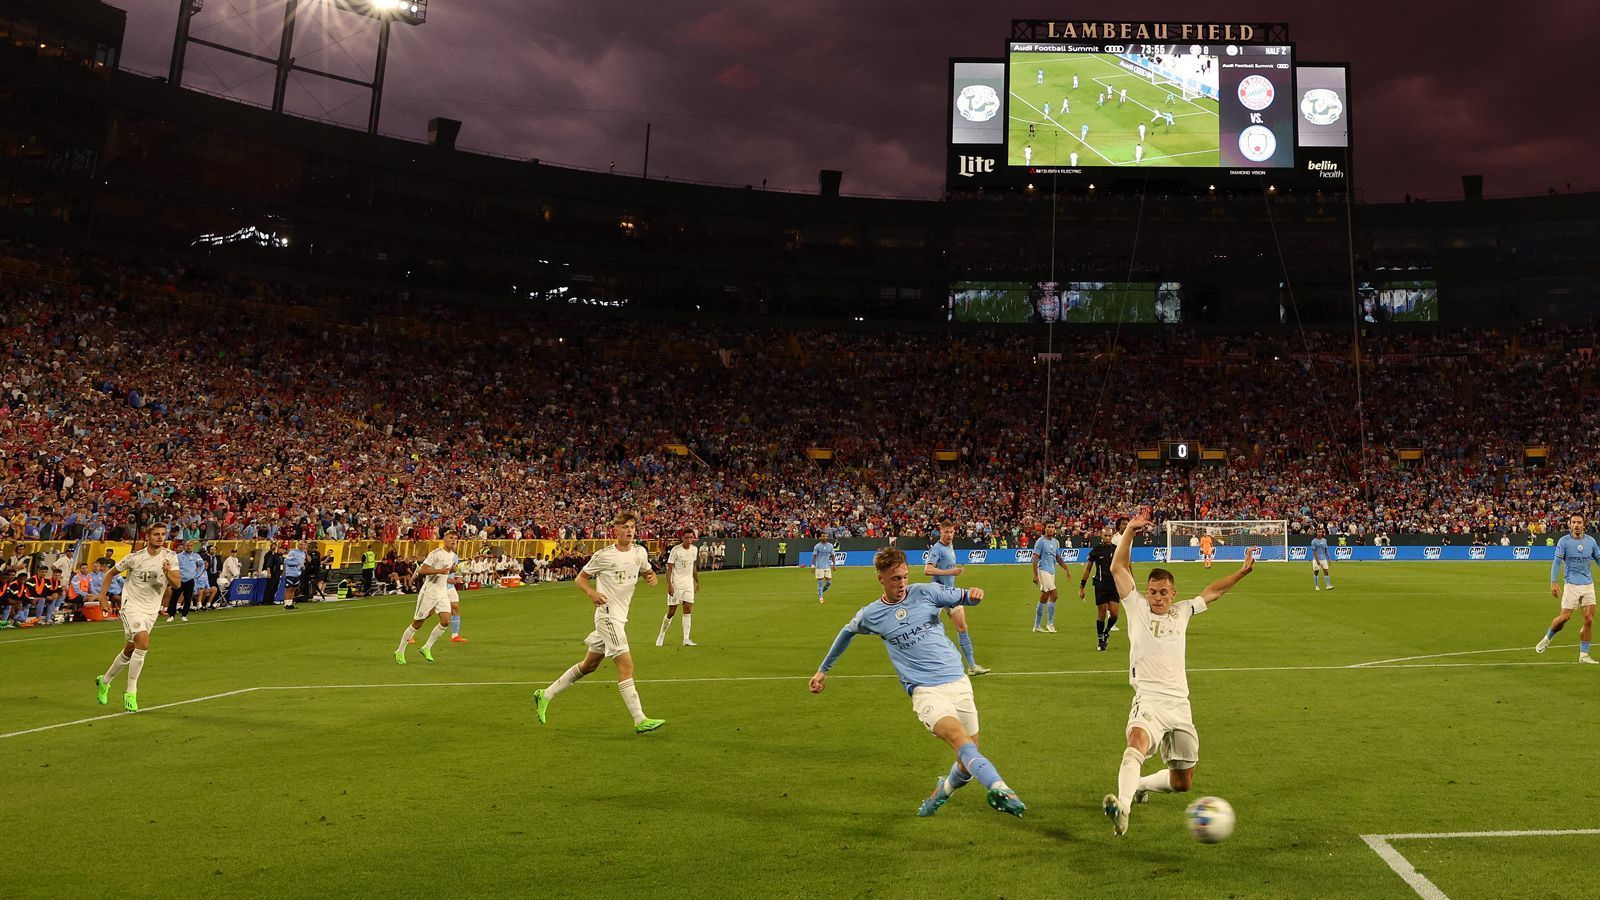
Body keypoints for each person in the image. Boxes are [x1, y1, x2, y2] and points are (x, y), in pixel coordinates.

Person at [809, 546, 1025, 819]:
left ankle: (942, 792)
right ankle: (1000, 788)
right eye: (895, 578)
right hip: (925, 691)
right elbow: (846, 634)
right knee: (961, 741)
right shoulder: (871, 614)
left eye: (904, 576)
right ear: (881, 579)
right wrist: (822, 671)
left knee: (968, 762)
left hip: (958, 681)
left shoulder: (926, 592)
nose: (901, 583)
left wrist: (975, 595)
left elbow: (962, 597)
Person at [1102, 512, 1256, 836]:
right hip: (1149, 699)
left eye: (1163, 592)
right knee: (1136, 743)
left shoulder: (1183, 610)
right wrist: (1129, 529)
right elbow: (1118, 567)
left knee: (1182, 782)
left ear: (1173, 593)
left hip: (1180, 705)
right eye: (1153, 591)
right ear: (1146, 592)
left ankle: (1142, 785)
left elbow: (1213, 591)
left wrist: (1241, 573)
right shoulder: (1136, 607)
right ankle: (1123, 808)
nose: (1157, 598)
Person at [534, 511, 665, 734]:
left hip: (620, 617)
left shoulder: (640, 552)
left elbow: (646, 570)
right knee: (626, 665)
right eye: (625, 527)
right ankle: (639, 719)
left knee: (589, 666)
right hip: (607, 616)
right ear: (616, 530)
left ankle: (545, 694)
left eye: (632, 526)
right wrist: (591, 594)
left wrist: (651, 576)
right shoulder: (605, 555)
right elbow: (580, 578)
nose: (630, 530)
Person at [94, 525, 182, 712]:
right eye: (156, 534)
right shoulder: (135, 558)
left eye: (162, 535)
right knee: (143, 643)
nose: (160, 537)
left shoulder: (170, 557)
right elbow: (110, 573)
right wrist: (102, 597)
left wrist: (167, 572)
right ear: (147, 536)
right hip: (131, 606)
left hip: (151, 610)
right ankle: (131, 692)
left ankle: (105, 681)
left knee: (131, 648)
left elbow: (176, 584)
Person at [925, 519, 988, 675]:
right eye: (946, 532)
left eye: (951, 532)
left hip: (951, 592)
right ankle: (927, 667)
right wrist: (950, 572)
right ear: (940, 531)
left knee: (962, 627)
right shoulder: (936, 549)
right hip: (937, 594)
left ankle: (972, 666)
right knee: (928, 631)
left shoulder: (950, 546)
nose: (949, 535)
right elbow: (927, 570)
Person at [1535, 513, 1598, 664]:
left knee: (1589, 619)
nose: (1576, 525)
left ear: (1584, 524)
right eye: (1574, 522)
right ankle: (1547, 638)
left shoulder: (1591, 541)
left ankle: (1584, 655)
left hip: (1588, 585)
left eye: (1579, 522)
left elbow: (1598, 558)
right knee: (1565, 617)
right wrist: (1553, 582)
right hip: (1571, 585)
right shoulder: (1564, 542)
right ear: (1570, 524)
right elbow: (1556, 562)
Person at [394, 531, 460, 664]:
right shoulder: (436, 553)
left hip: (441, 592)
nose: (454, 541)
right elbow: (421, 571)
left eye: (456, 539)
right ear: (444, 539)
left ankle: (426, 647)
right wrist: (440, 571)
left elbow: (445, 572)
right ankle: (400, 651)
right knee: (418, 623)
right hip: (429, 592)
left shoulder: (452, 555)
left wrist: (451, 571)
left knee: (446, 620)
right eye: (451, 538)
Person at [1080, 525, 1122, 651]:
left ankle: (1106, 632)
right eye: (1105, 536)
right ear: (1101, 536)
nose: (1108, 538)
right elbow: (1088, 569)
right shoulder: (1096, 550)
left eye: (1110, 536)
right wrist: (1082, 586)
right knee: (1102, 612)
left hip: (1114, 585)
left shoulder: (1117, 550)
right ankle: (1100, 641)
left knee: (1114, 614)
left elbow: (1122, 567)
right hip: (1100, 584)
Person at [656, 528, 700, 647]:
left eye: (691, 537)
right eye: (687, 537)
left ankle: (686, 639)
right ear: (682, 538)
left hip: (688, 584)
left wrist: (697, 582)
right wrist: (669, 585)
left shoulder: (694, 549)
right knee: (672, 612)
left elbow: (693, 566)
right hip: (676, 584)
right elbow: (669, 569)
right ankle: (661, 634)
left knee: (688, 610)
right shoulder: (676, 550)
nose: (689, 540)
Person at [1032, 523, 1071, 633]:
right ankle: (1050, 623)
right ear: (1045, 528)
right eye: (1049, 527)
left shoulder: (1054, 542)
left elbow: (1057, 556)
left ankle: (1037, 626)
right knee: (1054, 595)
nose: (1051, 529)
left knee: (1044, 597)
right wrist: (1035, 574)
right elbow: (1035, 558)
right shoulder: (1040, 541)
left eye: (1053, 527)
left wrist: (1066, 569)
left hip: (1052, 571)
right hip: (1043, 570)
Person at [169, 539, 202, 622]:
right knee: (174, 597)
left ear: (193, 547)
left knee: (188, 598)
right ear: (184, 546)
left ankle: (184, 615)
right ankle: (171, 615)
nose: (189, 547)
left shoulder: (197, 556)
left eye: (191, 546)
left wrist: (196, 575)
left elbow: (202, 566)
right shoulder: (178, 556)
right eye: (187, 546)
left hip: (190, 580)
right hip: (179, 580)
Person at [282, 540, 307, 610]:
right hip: (290, 573)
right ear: (298, 545)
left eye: (304, 545)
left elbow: (301, 562)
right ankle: (286, 604)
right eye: (301, 544)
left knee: (293, 589)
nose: (302, 546)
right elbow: (286, 561)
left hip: (298, 573)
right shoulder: (293, 552)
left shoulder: (303, 553)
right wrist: (297, 564)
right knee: (288, 589)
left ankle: (290, 603)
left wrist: (302, 566)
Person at [813, 534, 836, 603]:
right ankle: (821, 597)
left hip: (827, 566)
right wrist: (813, 566)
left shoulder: (830, 546)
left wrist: (834, 565)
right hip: (819, 567)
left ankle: (821, 592)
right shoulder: (817, 546)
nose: (824, 537)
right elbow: (814, 556)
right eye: (823, 536)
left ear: (827, 537)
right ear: (820, 537)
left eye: (825, 536)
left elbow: (832, 555)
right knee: (820, 582)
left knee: (829, 582)